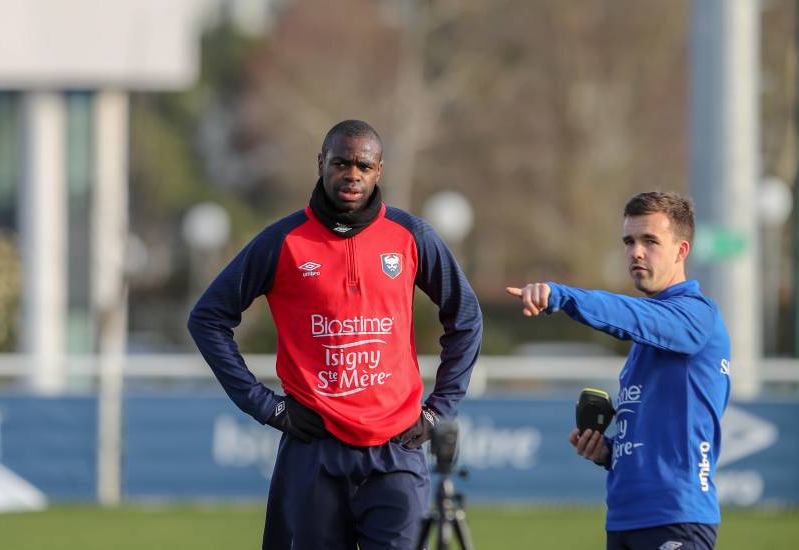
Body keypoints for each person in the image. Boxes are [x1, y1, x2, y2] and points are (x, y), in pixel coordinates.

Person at [188, 119, 483, 549]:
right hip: (314, 451)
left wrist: (438, 408)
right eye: (341, 162)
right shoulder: (283, 240)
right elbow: (207, 319)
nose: (352, 174)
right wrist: (266, 407)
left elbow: (467, 317)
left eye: (363, 165)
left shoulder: (411, 237)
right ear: (321, 163)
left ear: (379, 170)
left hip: (395, 450)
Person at [506, 191, 730, 550]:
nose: (636, 251)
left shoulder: (696, 315)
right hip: (626, 518)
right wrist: (608, 452)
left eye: (650, 241)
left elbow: (630, 315)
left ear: (681, 251)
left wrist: (561, 295)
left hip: (677, 517)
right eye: (629, 241)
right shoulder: (648, 335)